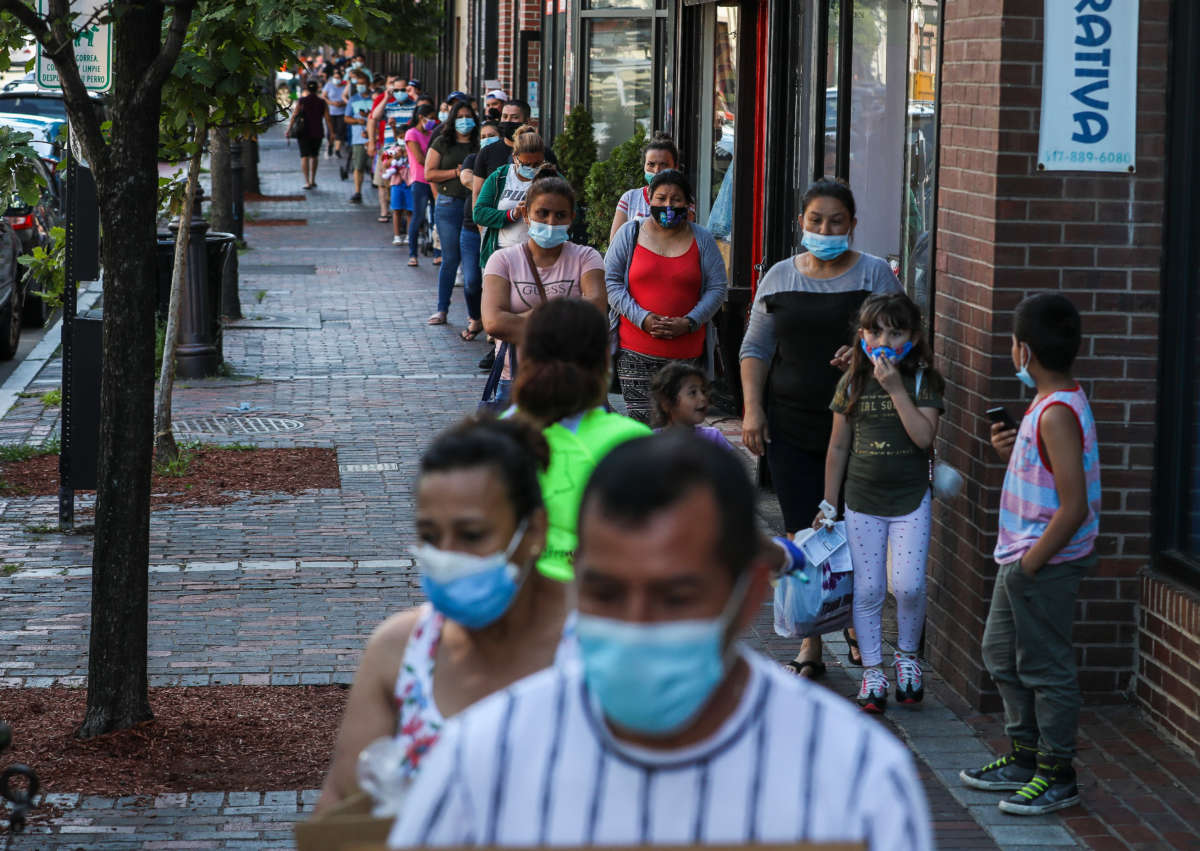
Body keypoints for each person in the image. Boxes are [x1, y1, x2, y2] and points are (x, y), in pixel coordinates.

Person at [386, 432, 933, 849]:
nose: (636, 623)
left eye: (675, 597)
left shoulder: (853, 775)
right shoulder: (484, 758)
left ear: (746, 595)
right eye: (605, 592)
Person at [314, 415, 568, 814]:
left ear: (534, 530)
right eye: (430, 537)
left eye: (471, 535)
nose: (446, 555)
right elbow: (341, 805)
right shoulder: (399, 651)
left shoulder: (597, 643)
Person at [739, 178, 901, 678]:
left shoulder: (875, 274)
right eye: (816, 220)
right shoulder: (780, 277)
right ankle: (810, 639)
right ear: (800, 224)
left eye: (836, 221)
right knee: (802, 532)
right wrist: (752, 409)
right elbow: (756, 349)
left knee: (858, 531)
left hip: (863, 423)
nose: (825, 229)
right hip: (789, 421)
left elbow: (907, 337)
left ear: (852, 225)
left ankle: (855, 624)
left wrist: (870, 352)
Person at [959, 293, 1100, 817]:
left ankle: (1057, 772)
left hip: (1042, 562)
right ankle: (1024, 755)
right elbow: (1050, 474)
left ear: (1024, 351)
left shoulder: (1058, 413)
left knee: (1046, 668)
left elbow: (1074, 505)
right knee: (1001, 654)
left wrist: (1032, 564)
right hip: (1020, 559)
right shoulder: (1047, 407)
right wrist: (1013, 448)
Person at [817, 292, 943, 713]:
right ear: (861, 335)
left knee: (907, 585)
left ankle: (907, 659)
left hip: (910, 500)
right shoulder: (851, 380)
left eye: (896, 330)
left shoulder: (923, 380)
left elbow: (925, 439)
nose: (884, 339)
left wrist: (894, 389)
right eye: (875, 331)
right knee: (868, 589)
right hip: (861, 501)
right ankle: (873, 672)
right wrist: (828, 503)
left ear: (914, 336)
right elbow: (837, 448)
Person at [505, 298, 649, 583]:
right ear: (605, 361)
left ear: (524, 358)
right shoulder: (633, 442)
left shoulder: (494, 438)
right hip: (607, 609)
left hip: (515, 608)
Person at [605, 170, 727, 423]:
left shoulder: (702, 238)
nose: (668, 205)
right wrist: (642, 318)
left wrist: (691, 321)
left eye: (676, 199)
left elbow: (717, 288)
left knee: (681, 429)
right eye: (660, 199)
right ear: (649, 199)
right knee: (643, 429)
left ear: (688, 202)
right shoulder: (630, 233)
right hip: (635, 353)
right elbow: (611, 281)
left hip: (687, 356)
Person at [481, 166, 607, 407]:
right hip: (517, 380)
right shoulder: (503, 260)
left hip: (576, 380)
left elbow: (596, 314)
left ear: (571, 218)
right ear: (526, 215)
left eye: (560, 215)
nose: (551, 222)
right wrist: (567, 324)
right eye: (542, 213)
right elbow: (494, 322)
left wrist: (526, 319)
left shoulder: (587, 258)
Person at [424, 100, 479, 326]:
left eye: (468, 116)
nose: (464, 121)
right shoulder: (442, 142)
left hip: (473, 206)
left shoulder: (479, 144)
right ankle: (442, 309)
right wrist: (456, 173)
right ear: (452, 119)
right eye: (460, 116)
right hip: (448, 205)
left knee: (472, 264)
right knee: (450, 258)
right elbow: (429, 173)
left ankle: (474, 314)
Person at [473, 127, 546, 271]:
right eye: (526, 164)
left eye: (537, 164)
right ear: (515, 157)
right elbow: (479, 213)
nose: (532, 168)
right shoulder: (500, 177)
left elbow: (569, 213)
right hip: (502, 254)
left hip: (538, 257)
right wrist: (512, 214)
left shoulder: (550, 177)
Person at [456, 120, 501, 343]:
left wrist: (481, 184)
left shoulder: (504, 160)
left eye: (491, 134)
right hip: (471, 228)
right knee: (472, 280)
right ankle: (475, 317)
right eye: (483, 135)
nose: (486, 138)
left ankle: (492, 326)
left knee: (492, 281)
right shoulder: (474, 158)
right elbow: (465, 178)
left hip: (497, 229)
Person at [470, 99, 557, 199]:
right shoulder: (487, 152)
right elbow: (477, 193)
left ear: (527, 121)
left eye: (514, 117)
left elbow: (555, 189)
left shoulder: (543, 153)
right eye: (505, 116)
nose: (508, 121)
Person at [608, 133, 683, 242]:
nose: (657, 170)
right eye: (651, 164)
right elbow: (615, 243)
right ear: (644, 166)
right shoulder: (629, 198)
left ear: (675, 167)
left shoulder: (683, 200)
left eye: (663, 165)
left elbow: (682, 240)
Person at [649, 360, 734, 450]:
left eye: (703, 391)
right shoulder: (652, 441)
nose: (703, 398)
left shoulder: (713, 438)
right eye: (693, 392)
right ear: (667, 403)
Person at [404, 104, 438, 267]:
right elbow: (420, 158)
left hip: (435, 180)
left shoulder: (432, 133)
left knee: (437, 216)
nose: (432, 121)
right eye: (430, 117)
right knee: (417, 216)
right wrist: (437, 165)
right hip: (420, 180)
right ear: (421, 117)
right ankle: (412, 254)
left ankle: (438, 252)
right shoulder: (412, 133)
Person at [287, 80, 332, 191]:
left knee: (304, 156)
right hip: (317, 131)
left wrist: (289, 129)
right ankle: (313, 179)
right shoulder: (322, 102)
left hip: (303, 132)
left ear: (306, 89)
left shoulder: (302, 101)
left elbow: (294, 115)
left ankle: (307, 181)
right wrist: (332, 132)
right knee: (314, 156)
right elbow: (328, 119)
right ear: (317, 89)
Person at [345, 71, 375, 203]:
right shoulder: (353, 99)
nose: (360, 86)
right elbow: (346, 118)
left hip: (375, 138)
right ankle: (357, 191)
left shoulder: (374, 99)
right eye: (358, 84)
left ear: (368, 84)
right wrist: (358, 121)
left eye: (363, 84)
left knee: (380, 165)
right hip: (358, 139)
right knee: (358, 166)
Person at [321, 70, 349, 161]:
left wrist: (342, 104)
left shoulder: (345, 87)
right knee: (330, 131)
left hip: (342, 112)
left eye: (339, 78)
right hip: (330, 112)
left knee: (340, 131)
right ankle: (330, 145)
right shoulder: (329, 85)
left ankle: (337, 150)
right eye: (335, 78)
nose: (337, 79)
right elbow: (324, 96)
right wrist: (331, 103)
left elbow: (348, 98)